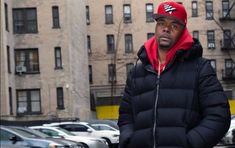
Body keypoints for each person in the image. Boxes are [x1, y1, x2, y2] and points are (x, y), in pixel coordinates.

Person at [118, 1, 231, 148]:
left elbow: (219, 116)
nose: (166, 29)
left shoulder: (200, 69)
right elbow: (126, 116)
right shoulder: (136, 73)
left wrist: (190, 143)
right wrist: (129, 140)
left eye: (174, 25)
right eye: (161, 23)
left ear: (183, 32)